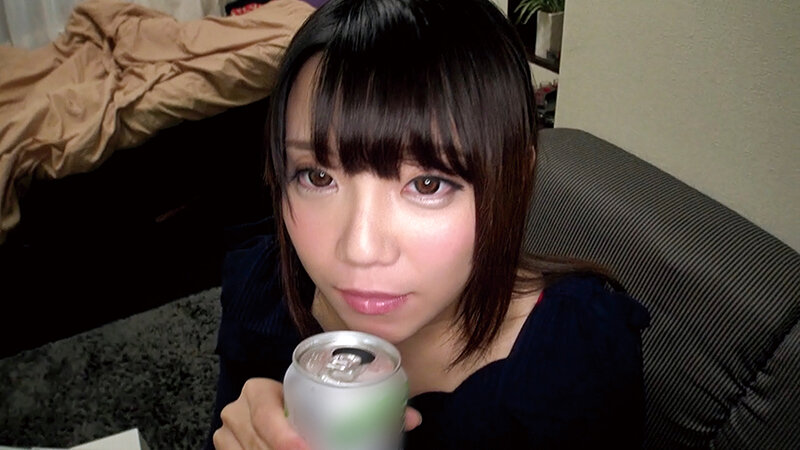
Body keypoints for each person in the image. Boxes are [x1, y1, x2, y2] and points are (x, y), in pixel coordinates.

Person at [207, 0, 651, 448]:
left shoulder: (576, 358)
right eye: (318, 177)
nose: (360, 249)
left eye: (427, 183)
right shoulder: (264, 292)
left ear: (515, 179)